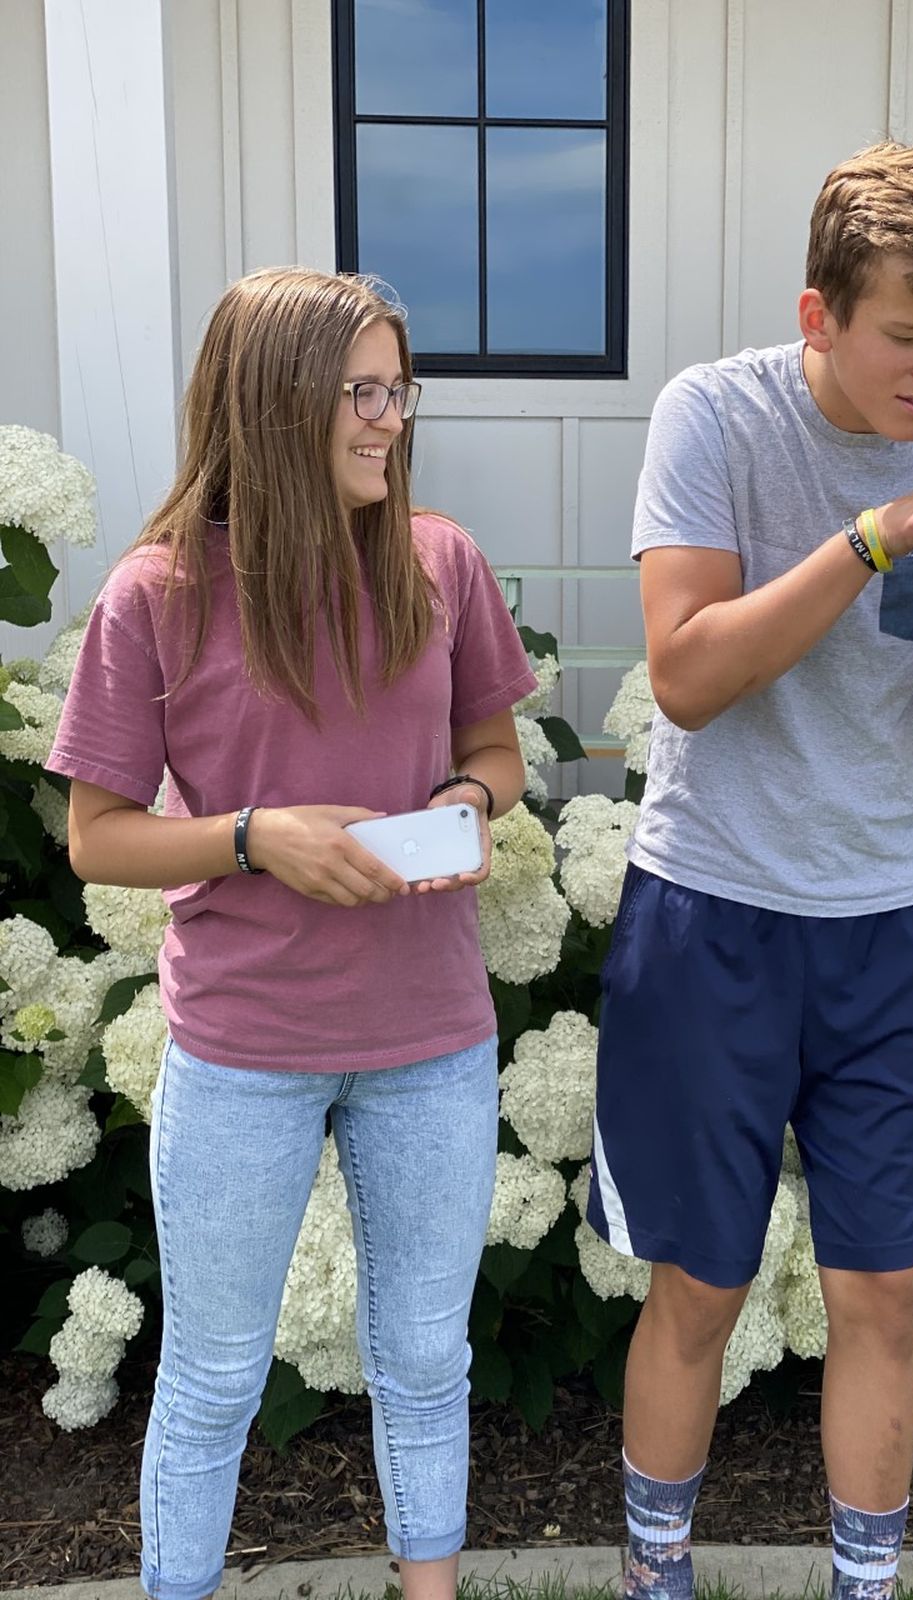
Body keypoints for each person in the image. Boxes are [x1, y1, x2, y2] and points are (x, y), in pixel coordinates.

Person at [586, 143, 913, 1600]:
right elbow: (684, 676)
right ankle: (655, 1576)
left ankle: (866, 1587)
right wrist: (866, 539)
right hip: (709, 910)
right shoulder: (711, 416)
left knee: (884, 1290)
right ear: (820, 315)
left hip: (884, 923)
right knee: (700, 1285)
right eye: (906, 333)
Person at [46, 267, 535, 1600]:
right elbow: (97, 836)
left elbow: (498, 746)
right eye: (360, 394)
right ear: (273, 404)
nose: (389, 420)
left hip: (430, 1036)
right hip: (245, 1043)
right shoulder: (153, 596)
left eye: (397, 390)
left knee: (429, 1360)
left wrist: (469, 799)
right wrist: (259, 836)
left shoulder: (443, 561)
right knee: (211, 1374)